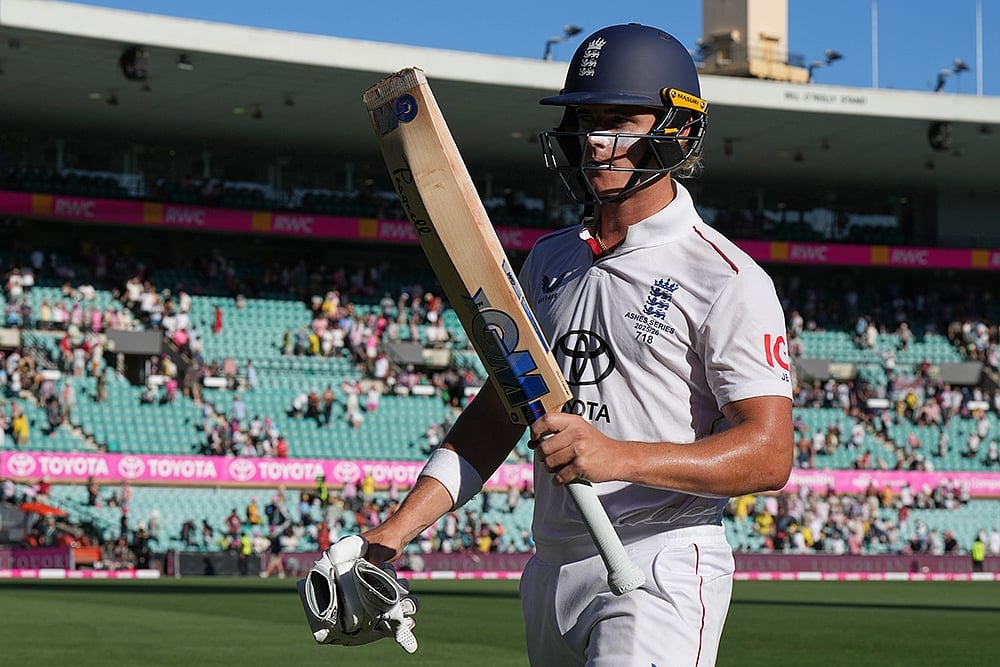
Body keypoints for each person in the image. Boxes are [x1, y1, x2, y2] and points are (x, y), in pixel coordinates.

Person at [355, 24, 792, 666]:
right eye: (586, 118)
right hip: (552, 567)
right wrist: (395, 531)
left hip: (658, 559)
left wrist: (619, 456)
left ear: (676, 127)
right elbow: (503, 410)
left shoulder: (725, 277)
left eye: (620, 119)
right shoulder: (549, 260)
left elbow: (770, 454)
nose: (593, 139)